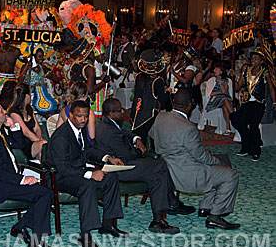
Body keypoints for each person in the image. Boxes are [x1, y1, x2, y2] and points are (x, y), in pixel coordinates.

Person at [96, 98, 195, 234]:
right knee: (160, 166)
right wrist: (140, 150)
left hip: (121, 162)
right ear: (111, 113)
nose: (123, 112)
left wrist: (136, 139)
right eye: (120, 111)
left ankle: (161, 215)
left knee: (158, 176)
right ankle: (170, 205)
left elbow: (123, 133)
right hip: (121, 168)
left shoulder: (104, 123)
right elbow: (130, 154)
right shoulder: (109, 131)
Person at [149, 89, 240, 230]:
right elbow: (201, 156)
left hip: (166, 170)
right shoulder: (188, 128)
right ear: (191, 105)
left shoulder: (161, 117)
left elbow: (152, 135)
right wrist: (218, 162)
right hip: (188, 175)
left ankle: (206, 207)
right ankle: (215, 216)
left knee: (219, 166)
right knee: (230, 174)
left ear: (174, 102)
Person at [0, 103, 61, 247]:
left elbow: (18, 144)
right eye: (3, 111)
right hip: (1, 184)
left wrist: (13, 127)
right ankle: (36, 243)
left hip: (10, 178)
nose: (6, 113)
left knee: (46, 192)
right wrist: (22, 179)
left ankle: (20, 227)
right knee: (43, 193)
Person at [47, 100, 125, 247]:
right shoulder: (61, 137)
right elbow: (63, 169)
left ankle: (108, 225)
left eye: (85, 116)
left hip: (77, 171)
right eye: (79, 116)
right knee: (87, 185)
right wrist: (90, 174)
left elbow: (88, 151)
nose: (83, 120)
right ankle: (85, 235)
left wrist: (107, 157)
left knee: (111, 177)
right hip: (60, 177)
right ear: (70, 115)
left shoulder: (80, 129)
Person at [231, 51, 276, 161]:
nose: (253, 60)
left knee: (253, 125)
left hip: (258, 103)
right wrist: (233, 77)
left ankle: (256, 151)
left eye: (256, 58)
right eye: (252, 58)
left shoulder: (265, 73)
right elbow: (237, 87)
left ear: (261, 61)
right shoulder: (246, 71)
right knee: (236, 120)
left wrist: (274, 102)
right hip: (247, 102)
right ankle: (246, 146)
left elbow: (271, 88)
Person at [130, 49, 170, 145]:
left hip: (137, 111)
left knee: (140, 137)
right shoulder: (157, 81)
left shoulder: (139, 77)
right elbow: (162, 101)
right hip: (151, 114)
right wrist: (168, 92)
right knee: (153, 136)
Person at [7, 83, 46, 160]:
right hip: (23, 145)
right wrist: (39, 141)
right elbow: (26, 132)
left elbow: (37, 128)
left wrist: (39, 138)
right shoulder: (14, 113)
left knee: (42, 151)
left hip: (34, 142)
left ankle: (45, 171)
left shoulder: (29, 109)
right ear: (27, 96)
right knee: (44, 145)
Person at [18, 48, 59, 115]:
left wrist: (59, 81)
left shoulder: (42, 67)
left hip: (44, 94)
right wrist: (27, 67)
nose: (42, 58)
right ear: (33, 56)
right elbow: (19, 81)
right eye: (39, 56)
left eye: (42, 56)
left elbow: (51, 76)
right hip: (31, 95)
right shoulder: (25, 67)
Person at [205, 63, 234, 134]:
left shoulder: (226, 80)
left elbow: (225, 91)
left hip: (224, 100)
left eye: (216, 69)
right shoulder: (212, 80)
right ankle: (235, 117)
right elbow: (211, 93)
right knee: (225, 99)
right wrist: (220, 91)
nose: (214, 70)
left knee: (225, 105)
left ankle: (228, 128)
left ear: (221, 71)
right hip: (214, 100)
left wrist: (220, 83)